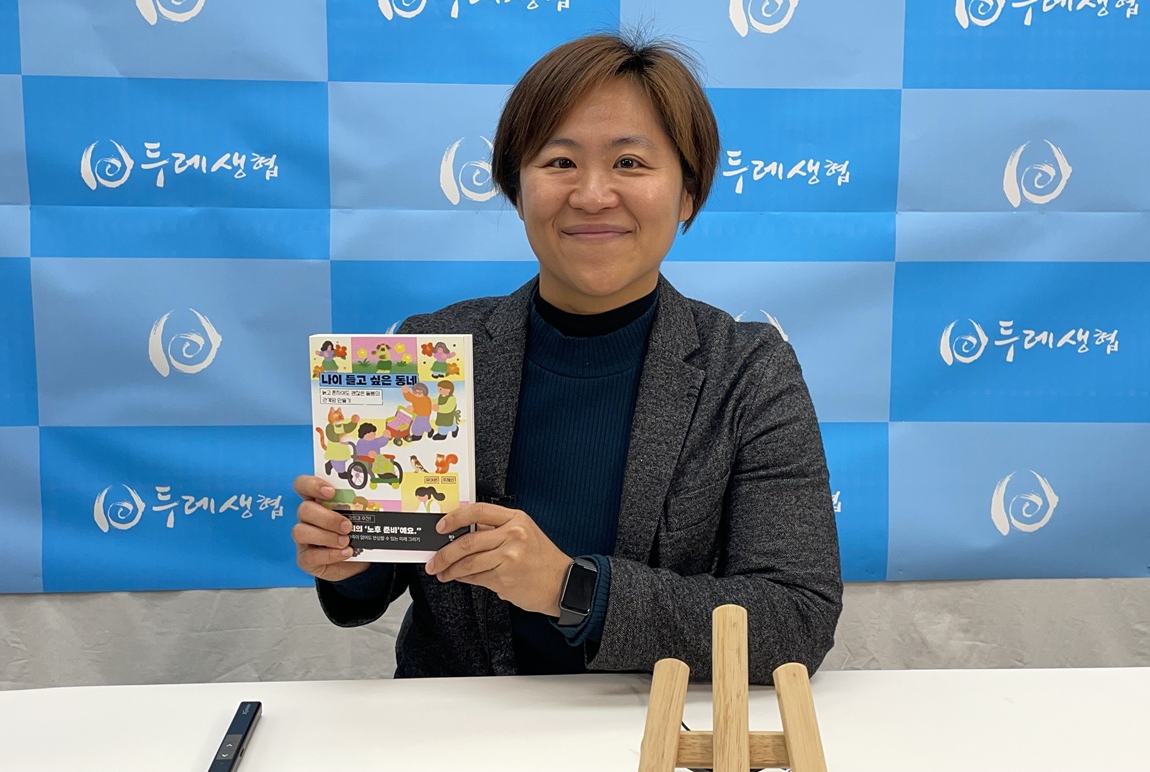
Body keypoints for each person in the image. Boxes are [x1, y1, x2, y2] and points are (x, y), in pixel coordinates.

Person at [292, 33, 842, 684]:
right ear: (517, 189)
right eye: (560, 162)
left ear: (687, 193)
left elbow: (795, 619)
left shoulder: (747, 373)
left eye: (630, 163)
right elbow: (377, 580)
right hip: (459, 726)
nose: (592, 194)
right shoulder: (435, 353)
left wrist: (570, 587)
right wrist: (350, 560)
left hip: (655, 721)